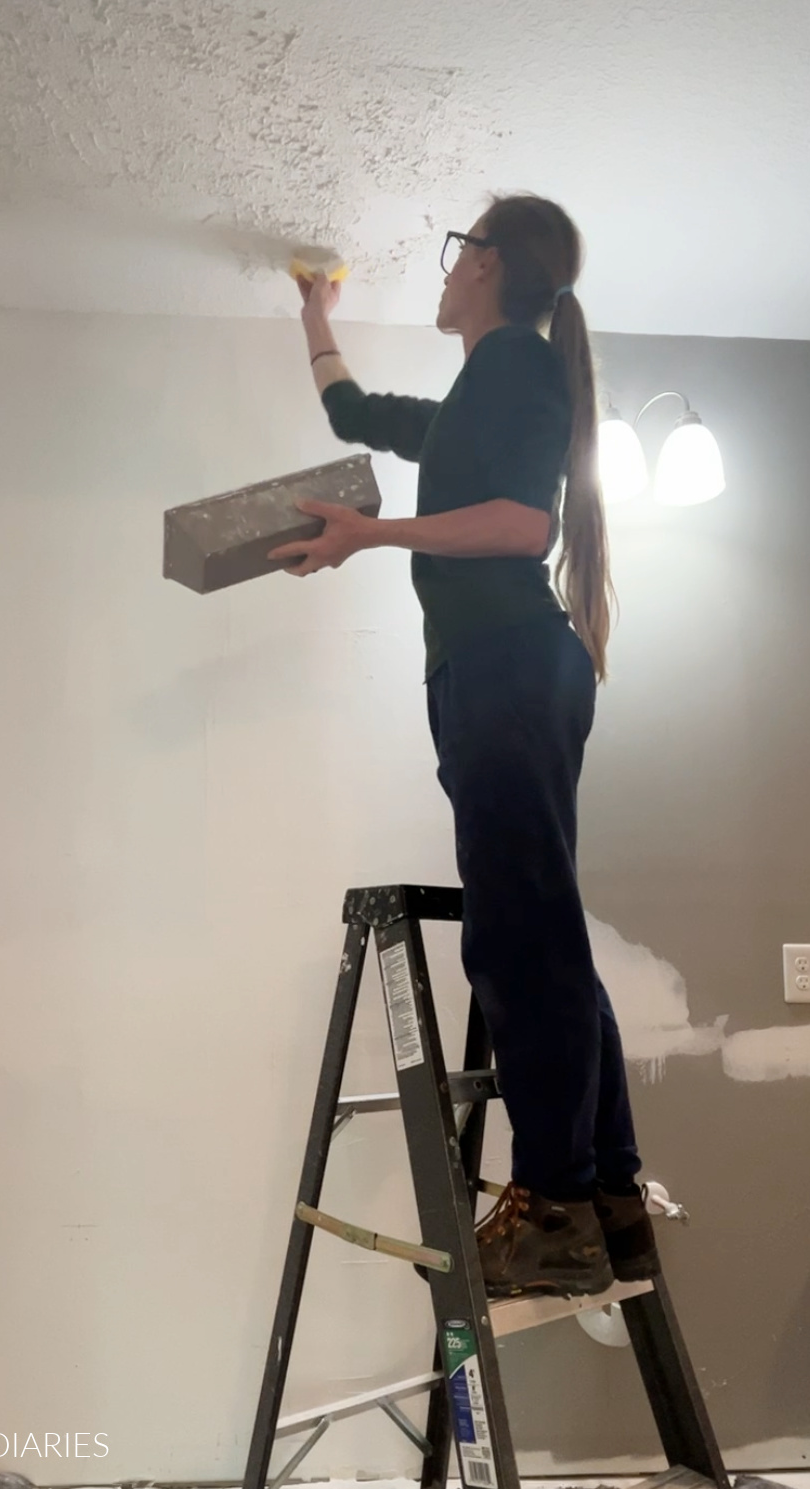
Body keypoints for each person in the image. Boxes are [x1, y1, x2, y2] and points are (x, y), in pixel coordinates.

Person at [268, 193, 657, 1298]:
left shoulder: (520, 370)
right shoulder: (475, 398)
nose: (444, 274)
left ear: (486, 264)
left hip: (509, 667)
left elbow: (523, 526)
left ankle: (554, 1202)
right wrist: (314, 310)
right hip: (496, 675)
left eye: (455, 255)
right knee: (539, 921)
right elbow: (351, 414)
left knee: (517, 931)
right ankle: (607, 1198)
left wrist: (372, 536)